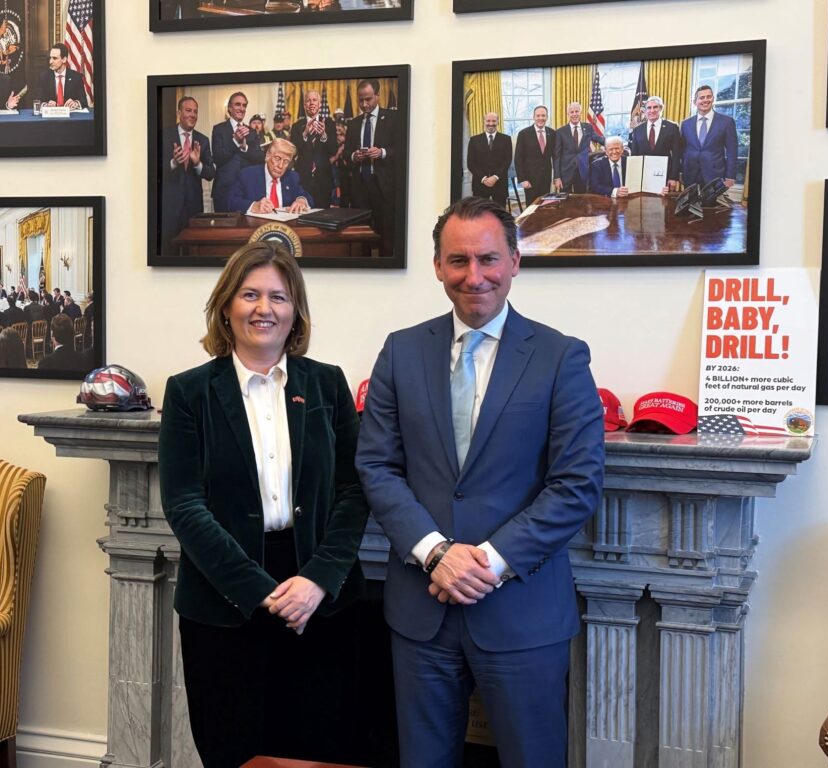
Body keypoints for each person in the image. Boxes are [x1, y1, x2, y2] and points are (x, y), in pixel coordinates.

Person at [355, 197, 604, 768]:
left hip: (523, 613)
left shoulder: (561, 357)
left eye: (488, 259)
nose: (474, 276)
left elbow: (577, 484)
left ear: (515, 261)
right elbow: (376, 466)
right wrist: (436, 553)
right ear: (437, 266)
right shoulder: (401, 351)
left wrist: (485, 562)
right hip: (421, 612)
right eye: (458, 260)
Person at [158, 241, 369, 768]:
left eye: (278, 296)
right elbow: (184, 504)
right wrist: (261, 592)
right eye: (249, 294)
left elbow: (353, 490)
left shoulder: (327, 384)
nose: (263, 308)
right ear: (226, 305)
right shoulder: (188, 392)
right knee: (232, 751)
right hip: (224, 603)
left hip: (320, 599)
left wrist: (317, 580)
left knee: (318, 750)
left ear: (295, 310)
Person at [344, 78, 400, 259]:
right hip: (360, 187)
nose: (364, 104)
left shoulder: (393, 118)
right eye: (360, 100)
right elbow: (346, 154)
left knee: (386, 238)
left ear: (378, 96)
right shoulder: (353, 124)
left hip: (383, 187)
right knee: (361, 239)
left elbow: (402, 149)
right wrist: (354, 156)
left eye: (368, 99)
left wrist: (382, 152)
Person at [162, 96, 215, 250]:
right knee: (169, 250)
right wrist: (174, 163)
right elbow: (153, 171)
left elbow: (211, 173)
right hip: (169, 206)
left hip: (193, 208)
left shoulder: (203, 140)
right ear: (179, 113)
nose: (192, 115)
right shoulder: (164, 136)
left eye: (195, 112)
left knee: (192, 250)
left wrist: (198, 164)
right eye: (188, 110)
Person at [211, 92, 265, 212]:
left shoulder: (252, 132)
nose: (241, 108)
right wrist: (235, 142)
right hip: (224, 190)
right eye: (237, 104)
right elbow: (217, 158)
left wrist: (245, 147)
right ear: (230, 108)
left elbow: (259, 158)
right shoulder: (219, 129)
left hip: (247, 191)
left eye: (244, 105)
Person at [228, 138, 313, 214]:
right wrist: (253, 206)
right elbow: (229, 201)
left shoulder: (292, 177)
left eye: (286, 161)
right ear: (268, 155)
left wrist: (302, 200)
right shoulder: (248, 174)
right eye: (277, 158)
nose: (280, 166)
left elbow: (306, 196)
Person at [679, 85, 738, 189]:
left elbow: (732, 152)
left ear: (713, 99)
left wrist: (730, 176)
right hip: (690, 175)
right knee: (690, 200)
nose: (705, 100)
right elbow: (682, 150)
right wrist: (680, 171)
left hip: (715, 176)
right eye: (701, 97)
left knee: (713, 201)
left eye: (709, 97)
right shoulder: (686, 124)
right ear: (695, 102)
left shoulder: (727, 122)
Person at [292, 90, 338, 211]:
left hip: (324, 180)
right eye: (308, 100)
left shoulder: (329, 123)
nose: (311, 103)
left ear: (319, 104)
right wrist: (305, 134)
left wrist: (324, 136)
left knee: (323, 215)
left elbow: (333, 150)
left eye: (314, 100)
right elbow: (294, 151)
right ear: (304, 105)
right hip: (303, 180)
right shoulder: (297, 126)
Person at [628, 96, 680, 192]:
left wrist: (673, 177)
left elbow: (677, 154)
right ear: (645, 111)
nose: (652, 110)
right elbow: (635, 156)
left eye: (655, 107)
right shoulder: (638, 130)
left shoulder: (672, 127)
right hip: (644, 177)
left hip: (665, 176)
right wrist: (634, 178)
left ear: (661, 109)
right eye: (649, 108)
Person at [466, 112, 513, 207]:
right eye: (488, 121)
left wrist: (495, 177)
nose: (491, 123)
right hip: (480, 185)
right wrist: (484, 178)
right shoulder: (474, 140)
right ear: (484, 121)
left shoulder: (506, 139)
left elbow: (507, 161)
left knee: (499, 213)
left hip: (500, 184)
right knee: (480, 213)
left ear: (498, 122)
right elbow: (471, 163)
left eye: (494, 121)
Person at [514, 105, 556, 206]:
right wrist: (522, 179)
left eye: (543, 115)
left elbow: (555, 156)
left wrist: (556, 176)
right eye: (538, 115)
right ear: (533, 117)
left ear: (547, 117)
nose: (541, 118)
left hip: (546, 179)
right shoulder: (524, 134)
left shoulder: (552, 133)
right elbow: (518, 159)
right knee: (531, 207)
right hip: (530, 180)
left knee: (544, 206)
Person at [553, 101, 594, 194]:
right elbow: (556, 156)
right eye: (572, 112)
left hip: (582, 171)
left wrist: (611, 144)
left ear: (581, 113)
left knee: (581, 199)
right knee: (564, 199)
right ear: (568, 114)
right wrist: (557, 177)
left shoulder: (588, 127)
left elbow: (598, 138)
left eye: (577, 111)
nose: (574, 114)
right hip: (565, 173)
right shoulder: (560, 132)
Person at [37, 43, 85, 109]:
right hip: (52, 115)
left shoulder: (76, 77)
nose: (50, 62)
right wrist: (46, 105)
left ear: (64, 59)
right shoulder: (44, 77)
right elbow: (38, 100)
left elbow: (84, 101)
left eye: (54, 58)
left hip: (70, 115)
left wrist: (76, 103)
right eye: (50, 58)